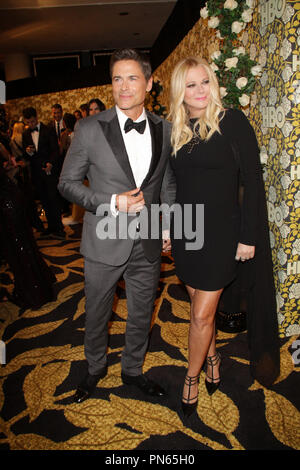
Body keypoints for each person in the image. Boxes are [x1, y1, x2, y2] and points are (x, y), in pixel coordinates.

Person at [58, 48, 176, 403]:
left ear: (149, 82)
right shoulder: (90, 128)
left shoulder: (165, 128)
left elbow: (167, 183)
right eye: (117, 79)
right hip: (104, 239)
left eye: (133, 78)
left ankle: (133, 369)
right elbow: (66, 183)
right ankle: (94, 368)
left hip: (148, 241)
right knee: (96, 312)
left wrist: (168, 225)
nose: (124, 87)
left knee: (143, 311)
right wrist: (111, 202)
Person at [168, 57, 279, 418]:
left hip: (222, 233)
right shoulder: (176, 128)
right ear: (179, 91)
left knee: (201, 315)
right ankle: (212, 355)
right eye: (191, 85)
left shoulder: (232, 121)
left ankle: (191, 377)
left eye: (204, 83)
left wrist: (248, 236)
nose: (200, 91)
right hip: (188, 230)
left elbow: (253, 180)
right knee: (203, 307)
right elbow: (171, 185)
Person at [0, 149, 56, 309]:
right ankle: (37, 286)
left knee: (18, 249)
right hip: (11, 200)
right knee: (23, 246)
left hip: (7, 205)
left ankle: (34, 291)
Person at [22, 107, 65, 239]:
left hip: (50, 170)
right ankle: (51, 226)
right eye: (28, 123)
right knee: (44, 200)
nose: (31, 125)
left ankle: (59, 228)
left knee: (53, 199)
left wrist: (50, 164)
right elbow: (26, 155)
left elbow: (55, 150)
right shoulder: (25, 134)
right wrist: (28, 152)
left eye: (33, 121)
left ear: (37, 117)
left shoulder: (48, 130)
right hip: (37, 173)